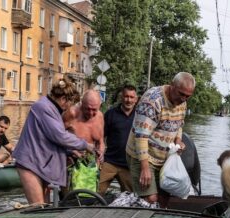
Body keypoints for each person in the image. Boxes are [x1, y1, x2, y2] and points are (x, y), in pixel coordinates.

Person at [12, 77, 96, 205]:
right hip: (30, 163)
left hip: (41, 163)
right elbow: (59, 136)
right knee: (38, 207)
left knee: (46, 208)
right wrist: (84, 145)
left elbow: (48, 138)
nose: (69, 108)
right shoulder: (43, 107)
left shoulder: (51, 108)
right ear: (63, 99)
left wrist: (70, 151)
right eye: (70, 103)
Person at [126, 72, 195, 207]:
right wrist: (144, 168)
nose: (183, 99)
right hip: (142, 156)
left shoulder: (183, 103)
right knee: (150, 198)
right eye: (181, 94)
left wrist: (178, 141)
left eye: (188, 96)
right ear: (172, 85)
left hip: (164, 158)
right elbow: (141, 136)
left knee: (164, 197)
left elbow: (179, 124)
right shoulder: (152, 101)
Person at [100, 85, 138, 194]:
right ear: (121, 97)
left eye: (131, 97)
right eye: (126, 96)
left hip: (129, 165)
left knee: (130, 197)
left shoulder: (140, 116)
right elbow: (101, 136)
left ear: (136, 99)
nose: (128, 100)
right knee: (95, 191)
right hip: (110, 162)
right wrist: (99, 154)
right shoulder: (111, 114)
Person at [63, 89, 105, 157]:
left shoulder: (100, 117)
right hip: (70, 163)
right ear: (82, 104)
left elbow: (101, 141)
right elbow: (56, 137)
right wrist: (70, 151)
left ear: (99, 106)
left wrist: (101, 151)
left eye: (94, 110)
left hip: (91, 164)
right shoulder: (71, 114)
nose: (91, 113)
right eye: (87, 109)